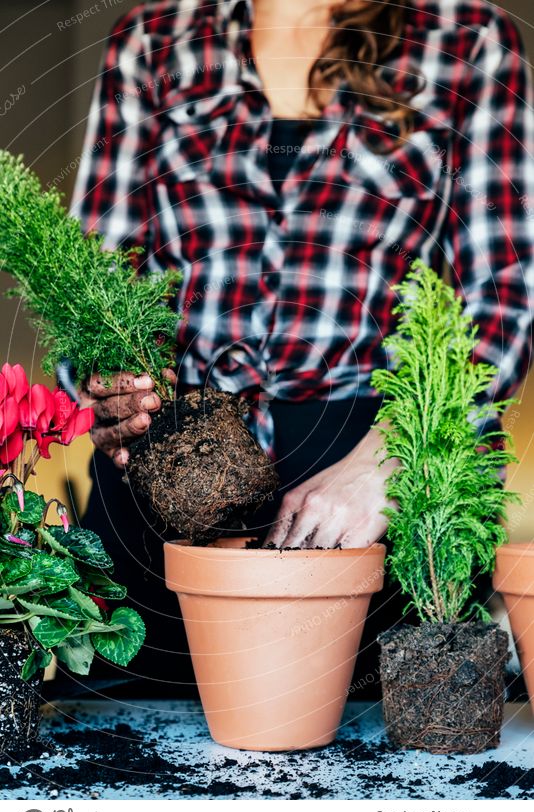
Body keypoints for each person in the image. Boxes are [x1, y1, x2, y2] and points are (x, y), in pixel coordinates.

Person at [67, 0, 534, 696]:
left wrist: (394, 459)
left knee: (387, 774)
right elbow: (88, 280)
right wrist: (113, 385)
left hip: (371, 505)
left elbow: (503, 296)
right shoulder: (153, 40)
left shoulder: (467, 41)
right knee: (124, 758)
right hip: (163, 496)